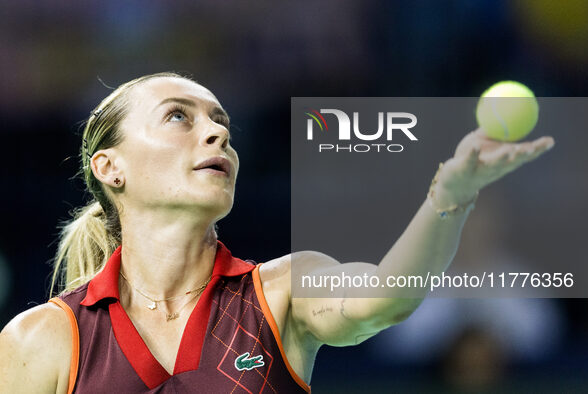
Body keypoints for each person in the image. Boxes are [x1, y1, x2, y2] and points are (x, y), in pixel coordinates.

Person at [0, 72, 555, 393]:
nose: (216, 132)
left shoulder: (284, 291)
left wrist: (450, 196)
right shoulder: (41, 341)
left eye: (221, 121)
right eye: (178, 116)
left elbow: (389, 295)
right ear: (109, 167)